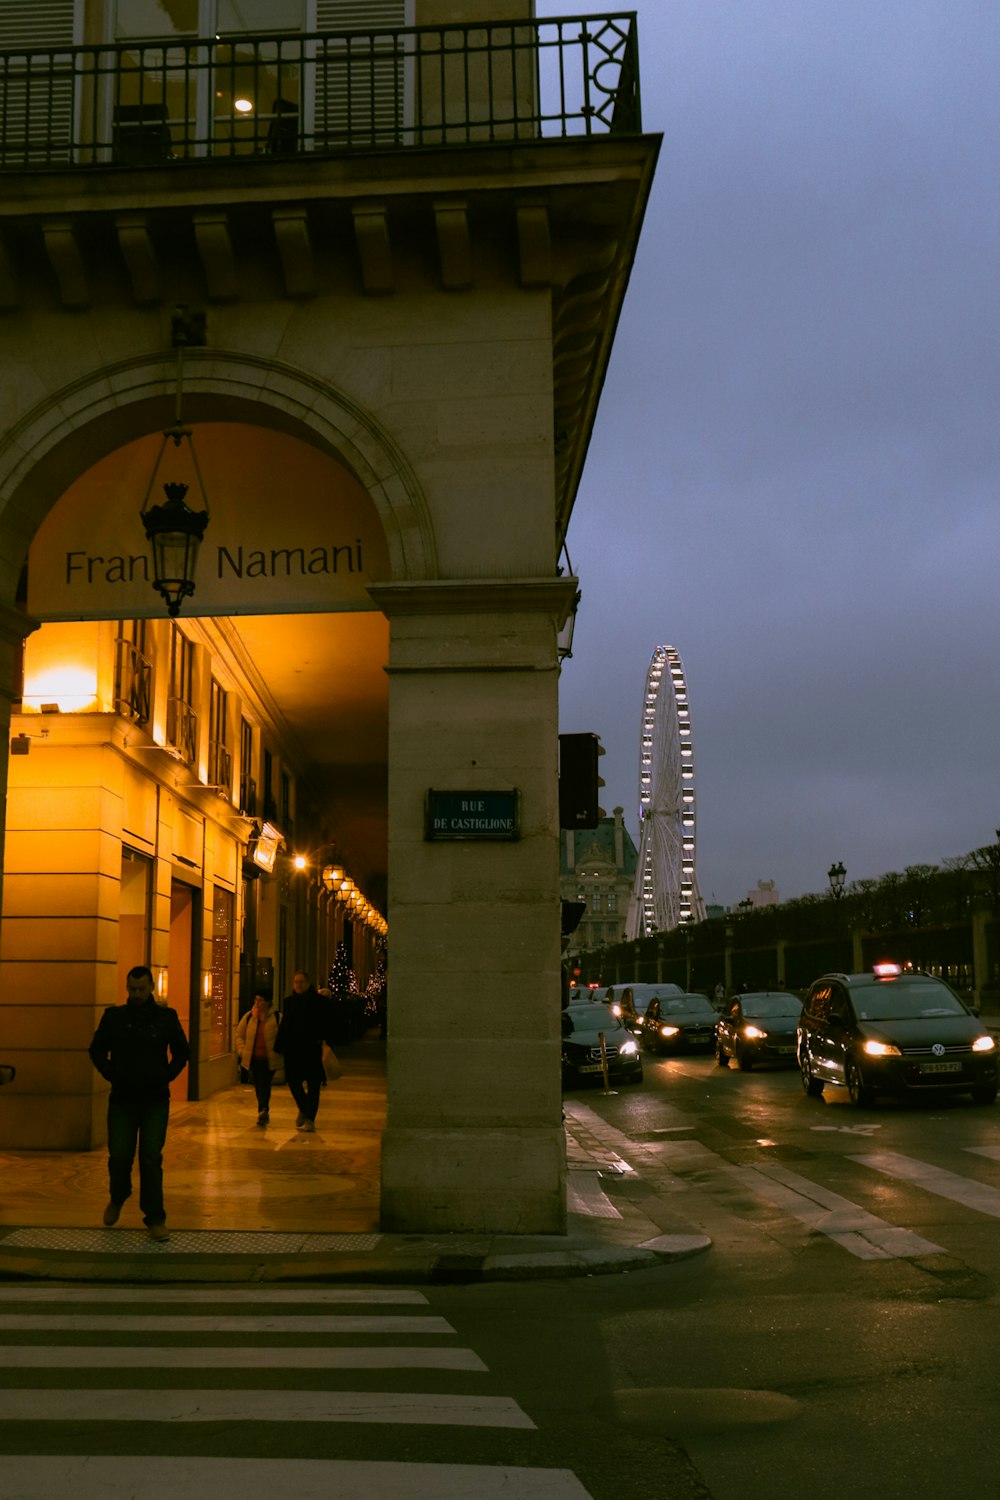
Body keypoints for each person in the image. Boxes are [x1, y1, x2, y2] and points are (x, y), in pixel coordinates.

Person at [88, 964, 189, 1242]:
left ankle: (155, 1217)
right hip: (122, 1098)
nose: (136, 994)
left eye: (141, 989)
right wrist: (111, 1073)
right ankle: (118, 1196)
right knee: (120, 1155)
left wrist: (165, 1076)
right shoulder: (114, 1018)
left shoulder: (166, 1018)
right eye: (132, 989)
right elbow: (96, 1050)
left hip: (155, 1099)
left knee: (150, 1157)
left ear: (151, 988)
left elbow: (182, 1052)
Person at [275, 970, 335, 1132]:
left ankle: (309, 1119)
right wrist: (279, 1046)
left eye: (301, 982)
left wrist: (325, 1042)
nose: (298, 985)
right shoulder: (289, 1002)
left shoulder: (319, 1002)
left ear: (308, 983)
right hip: (293, 1050)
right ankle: (304, 1108)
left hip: (312, 1050)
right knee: (293, 1082)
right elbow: (285, 1026)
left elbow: (327, 1024)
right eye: (295, 982)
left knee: (313, 1085)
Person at [235, 987, 280, 1127]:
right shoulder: (249, 1017)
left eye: (260, 1000)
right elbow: (239, 1035)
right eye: (256, 1000)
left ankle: (263, 1109)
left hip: (269, 1059)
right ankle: (263, 1110)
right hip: (253, 1058)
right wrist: (242, 1051)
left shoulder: (277, 1017)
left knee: (264, 1084)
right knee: (258, 1084)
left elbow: (283, 1037)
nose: (257, 1003)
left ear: (268, 1002)